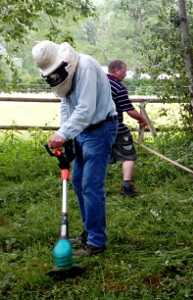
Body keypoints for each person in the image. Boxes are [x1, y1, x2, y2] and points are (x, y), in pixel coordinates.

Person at [32, 40, 118, 255]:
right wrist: (66, 132)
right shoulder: (64, 75)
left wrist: (63, 134)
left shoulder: (86, 66)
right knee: (79, 181)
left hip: (99, 129)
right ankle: (89, 232)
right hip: (81, 131)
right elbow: (65, 102)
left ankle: (97, 242)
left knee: (91, 185)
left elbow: (86, 109)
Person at [107, 60, 148, 196]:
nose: (125, 75)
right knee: (128, 156)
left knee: (97, 156)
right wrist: (142, 119)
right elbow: (129, 109)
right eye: (124, 71)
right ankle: (126, 187)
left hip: (95, 127)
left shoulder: (98, 83)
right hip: (114, 126)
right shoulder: (118, 87)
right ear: (116, 71)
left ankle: (92, 185)